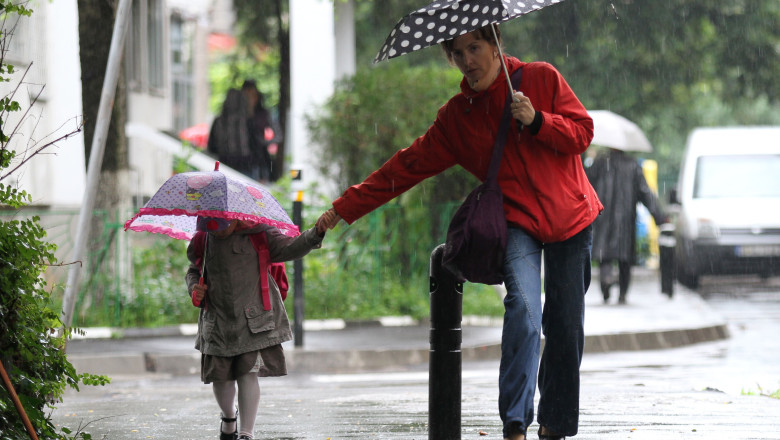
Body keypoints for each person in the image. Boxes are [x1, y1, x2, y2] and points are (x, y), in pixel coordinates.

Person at [317, 24, 602, 440]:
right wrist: (343, 208)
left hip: (572, 217)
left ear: (496, 44)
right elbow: (405, 167)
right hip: (518, 222)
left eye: (475, 47)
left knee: (565, 325)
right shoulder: (458, 118)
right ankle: (516, 423)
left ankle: (554, 426)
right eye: (457, 52)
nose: (468, 60)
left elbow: (583, 133)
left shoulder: (540, 77)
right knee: (524, 312)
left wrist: (538, 120)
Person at [186, 214, 332, 440]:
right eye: (211, 226)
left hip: (252, 318)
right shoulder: (202, 239)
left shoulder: (259, 233)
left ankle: (246, 433)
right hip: (217, 319)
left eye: (222, 225)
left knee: (248, 372)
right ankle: (228, 417)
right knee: (220, 377)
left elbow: (290, 247)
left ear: (234, 217)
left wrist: (317, 232)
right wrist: (194, 286)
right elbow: (193, 269)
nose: (218, 231)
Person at [585, 147, 667, 304]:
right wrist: (660, 217)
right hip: (625, 219)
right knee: (625, 258)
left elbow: (586, 185)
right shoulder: (632, 165)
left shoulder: (600, 163)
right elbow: (645, 193)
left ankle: (606, 281)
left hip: (603, 216)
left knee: (605, 256)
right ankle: (623, 292)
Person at [207, 89, 255, 178]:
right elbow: (254, 145)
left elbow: (211, 146)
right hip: (244, 164)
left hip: (224, 164)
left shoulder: (218, 121)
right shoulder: (248, 121)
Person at [241, 80, 276, 182]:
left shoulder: (263, 114)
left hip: (260, 161)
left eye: (253, 95)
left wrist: (263, 142)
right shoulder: (237, 116)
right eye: (247, 95)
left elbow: (278, 135)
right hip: (241, 162)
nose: (250, 99)